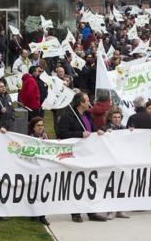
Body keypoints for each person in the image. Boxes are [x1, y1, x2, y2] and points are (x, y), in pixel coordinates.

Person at [57, 92, 107, 223]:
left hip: (88, 154)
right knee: (77, 183)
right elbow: (62, 133)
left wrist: (99, 131)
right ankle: (76, 212)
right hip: (75, 154)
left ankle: (91, 211)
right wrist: (79, 134)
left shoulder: (87, 115)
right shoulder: (69, 116)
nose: (89, 102)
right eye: (86, 100)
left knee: (90, 183)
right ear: (80, 102)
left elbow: (92, 130)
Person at [26, 117, 50, 225]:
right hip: (33, 169)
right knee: (34, 192)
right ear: (33, 127)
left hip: (44, 170)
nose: (40, 127)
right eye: (38, 126)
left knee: (43, 192)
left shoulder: (45, 137)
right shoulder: (28, 138)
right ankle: (34, 214)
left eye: (42, 125)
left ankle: (42, 215)